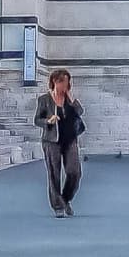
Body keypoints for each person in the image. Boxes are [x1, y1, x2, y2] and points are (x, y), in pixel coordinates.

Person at [38, 67, 88, 218]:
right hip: (51, 141)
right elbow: (37, 119)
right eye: (63, 82)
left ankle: (65, 199)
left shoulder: (69, 100)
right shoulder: (44, 100)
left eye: (68, 83)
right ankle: (58, 206)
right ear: (55, 82)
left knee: (75, 172)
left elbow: (80, 112)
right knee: (54, 174)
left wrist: (72, 99)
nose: (66, 86)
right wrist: (48, 121)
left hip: (70, 140)